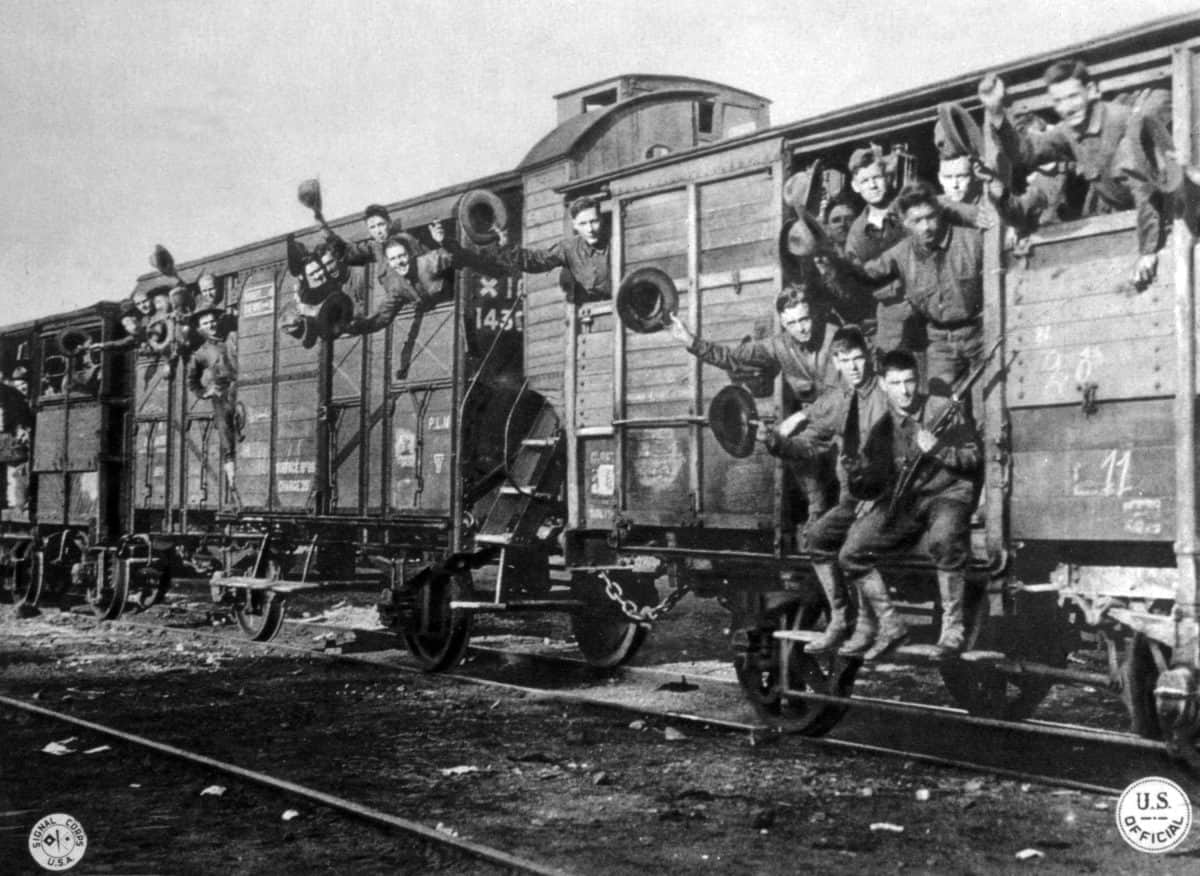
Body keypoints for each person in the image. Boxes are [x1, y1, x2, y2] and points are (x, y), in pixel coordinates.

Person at [833, 349, 982, 659]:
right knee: (852, 551)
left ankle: (953, 631)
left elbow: (973, 458)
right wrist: (856, 473)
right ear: (884, 386)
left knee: (944, 539)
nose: (904, 390)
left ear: (918, 381)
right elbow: (874, 482)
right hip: (909, 502)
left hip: (949, 493)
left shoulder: (944, 409)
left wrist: (939, 449)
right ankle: (891, 624)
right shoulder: (884, 428)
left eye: (910, 381)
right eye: (896, 383)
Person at [978, 60, 1169, 287]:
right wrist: (996, 112)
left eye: (1072, 97)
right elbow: (1025, 152)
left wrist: (1148, 251)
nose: (1066, 108)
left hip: (1164, 214)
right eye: (1058, 100)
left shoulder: (1123, 122)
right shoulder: (1069, 131)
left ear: (1092, 91)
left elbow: (1143, 190)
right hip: (1136, 219)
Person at [763, 325, 891, 655]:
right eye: (845, 361)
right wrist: (779, 443)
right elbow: (811, 445)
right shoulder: (835, 401)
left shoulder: (887, 394)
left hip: (889, 496)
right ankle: (840, 617)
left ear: (869, 358)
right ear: (836, 363)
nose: (854, 367)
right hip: (855, 497)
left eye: (858, 358)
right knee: (817, 538)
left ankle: (874, 624)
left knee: (854, 545)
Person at [668, 282, 842, 519]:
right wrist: (692, 342)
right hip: (818, 420)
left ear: (814, 314)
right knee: (784, 439)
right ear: (782, 323)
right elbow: (733, 358)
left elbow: (839, 393)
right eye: (791, 323)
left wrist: (801, 415)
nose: (800, 329)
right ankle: (816, 507)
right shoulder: (778, 345)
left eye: (805, 319)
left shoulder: (835, 337)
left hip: (845, 414)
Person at [832, 182, 985, 402]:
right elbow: (865, 276)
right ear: (905, 224)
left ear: (940, 214)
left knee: (988, 408)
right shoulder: (901, 253)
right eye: (917, 221)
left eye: (930, 217)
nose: (926, 227)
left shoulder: (973, 241)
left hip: (978, 335)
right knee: (939, 407)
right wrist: (835, 261)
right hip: (939, 341)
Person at [342, 221, 504, 335]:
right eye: (394, 260)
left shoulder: (429, 262)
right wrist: (354, 327)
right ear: (390, 263)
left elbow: (459, 255)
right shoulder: (397, 288)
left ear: (410, 255)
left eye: (402, 256)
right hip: (442, 311)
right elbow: (381, 318)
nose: (399, 262)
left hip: (466, 292)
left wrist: (443, 241)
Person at [843, 147, 913, 353]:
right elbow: (857, 283)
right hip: (889, 314)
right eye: (864, 181)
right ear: (856, 186)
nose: (872, 185)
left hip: (923, 304)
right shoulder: (856, 234)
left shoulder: (907, 209)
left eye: (877, 177)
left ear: (887, 178)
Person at [493, 196, 610, 304]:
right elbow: (536, 261)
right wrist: (506, 246)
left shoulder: (616, 241)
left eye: (594, 221)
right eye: (583, 223)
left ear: (602, 219)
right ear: (575, 225)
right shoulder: (569, 248)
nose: (590, 229)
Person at [186, 303, 239, 498]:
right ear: (201, 328)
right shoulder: (200, 353)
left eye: (213, 321)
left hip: (243, 387)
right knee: (227, 434)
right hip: (222, 394)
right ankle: (233, 478)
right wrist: (205, 392)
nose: (211, 325)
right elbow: (191, 382)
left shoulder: (233, 337)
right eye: (206, 323)